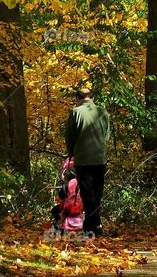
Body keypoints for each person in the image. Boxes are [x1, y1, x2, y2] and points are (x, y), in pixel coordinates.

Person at [64, 87, 110, 238]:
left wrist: (71, 153)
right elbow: (106, 135)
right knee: (97, 193)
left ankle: (91, 227)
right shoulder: (103, 112)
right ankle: (95, 226)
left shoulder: (75, 112)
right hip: (99, 159)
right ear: (93, 98)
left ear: (78, 98)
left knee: (87, 194)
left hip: (83, 160)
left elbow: (70, 136)